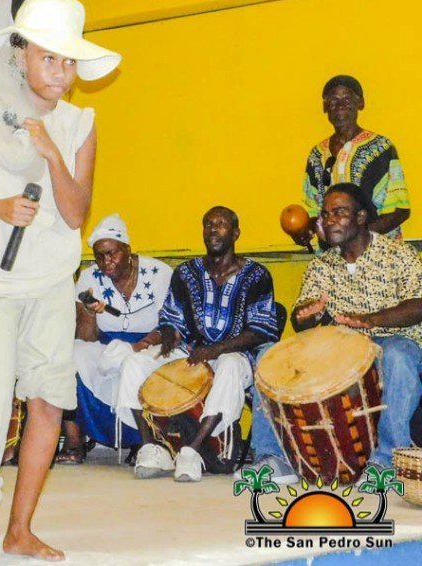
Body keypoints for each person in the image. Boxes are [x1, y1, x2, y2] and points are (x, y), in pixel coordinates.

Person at [0, 0, 119, 563]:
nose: (60, 73)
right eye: (48, 58)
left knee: (48, 400)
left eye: (69, 62)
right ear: (21, 56)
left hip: (50, 281)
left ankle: (20, 530)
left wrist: (53, 154)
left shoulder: (80, 124)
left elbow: (76, 214)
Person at [247, 183, 422, 479]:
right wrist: (307, 314)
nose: (329, 220)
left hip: (391, 341)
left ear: (361, 217)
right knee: (267, 357)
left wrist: (371, 320)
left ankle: (387, 460)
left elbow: (418, 304)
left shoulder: (398, 254)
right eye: (325, 214)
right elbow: (301, 319)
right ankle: (273, 457)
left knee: (398, 356)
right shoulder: (321, 266)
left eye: (339, 212)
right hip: (339, 350)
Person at [124, 206, 279, 482]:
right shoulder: (186, 272)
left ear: (236, 233)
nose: (213, 230)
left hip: (236, 353)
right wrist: (169, 334)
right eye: (208, 224)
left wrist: (215, 350)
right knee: (134, 363)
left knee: (229, 365)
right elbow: (172, 318)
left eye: (220, 224)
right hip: (191, 352)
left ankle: (192, 451)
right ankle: (151, 447)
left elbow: (261, 330)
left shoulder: (257, 275)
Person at [58, 214, 175, 465]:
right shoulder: (90, 278)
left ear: (128, 250)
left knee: (135, 364)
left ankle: (142, 441)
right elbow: (86, 337)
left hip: (153, 343)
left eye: (112, 254)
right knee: (72, 355)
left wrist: (140, 345)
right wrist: (88, 311)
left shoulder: (159, 273)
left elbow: (172, 324)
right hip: (106, 345)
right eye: (99, 256)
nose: (106, 262)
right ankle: (74, 439)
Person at [291, 75, 410, 248]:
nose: (340, 105)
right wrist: (306, 230)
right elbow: (314, 211)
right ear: (325, 107)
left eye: (347, 99)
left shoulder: (381, 148)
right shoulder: (316, 155)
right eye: (333, 100)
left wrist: (356, 238)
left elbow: (400, 210)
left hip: (378, 253)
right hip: (333, 256)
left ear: (360, 103)